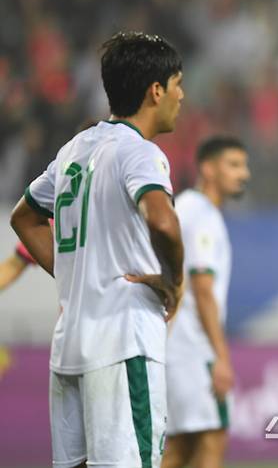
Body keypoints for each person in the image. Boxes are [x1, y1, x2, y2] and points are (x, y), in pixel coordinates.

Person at [10, 31, 185, 468]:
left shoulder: (75, 149)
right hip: (123, 341)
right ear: (156, 90)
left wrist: (75, 273)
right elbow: (163, 221)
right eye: (178, 83)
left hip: (69, 347)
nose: (182, 96)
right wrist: (173, 280)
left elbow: (25, 217)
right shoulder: (140, 153)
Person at [162, 136, 250, 468]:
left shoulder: (187, 208)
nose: (244, 174)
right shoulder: (200, 215)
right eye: (234, 165)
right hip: (191, 348)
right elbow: (202, 288)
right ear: (208, 169)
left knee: (181, 447)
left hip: (178, 345)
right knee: (211, 438)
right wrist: (221, 356)